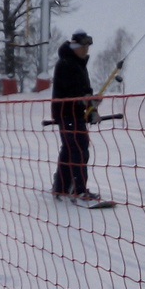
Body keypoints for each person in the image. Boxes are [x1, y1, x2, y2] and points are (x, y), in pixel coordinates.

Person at [51, 31, 103, 206]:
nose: (86, 50)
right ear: (74, 46)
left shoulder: (78, 64)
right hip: (68, 114)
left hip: (74, 114)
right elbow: (72, 92)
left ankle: (62, 187)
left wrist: (91, 107)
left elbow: (83, 91)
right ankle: (79, 190)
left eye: (87, 47)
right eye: (83, 46)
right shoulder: (66, 64)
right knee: (79, 149)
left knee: (69, 149)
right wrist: (87, 100)